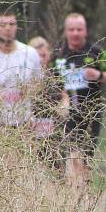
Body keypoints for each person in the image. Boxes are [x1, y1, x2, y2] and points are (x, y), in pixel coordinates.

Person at [53, 12, 106, 188]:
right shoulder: (58, 53)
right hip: (66, 114)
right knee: (71, 154)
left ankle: (82, 190)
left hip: (91, 113)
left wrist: (98, 74)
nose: (75, 33)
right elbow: (50, 80)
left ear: (85, 31)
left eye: (79, 29)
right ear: (66, 31)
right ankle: (70, 189)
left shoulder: (96, 52)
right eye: (71, 29)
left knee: (84, 157)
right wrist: (61, 96)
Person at [28, 36, 70, 168]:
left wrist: (64, 106)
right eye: (39, 55)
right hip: (31, 124)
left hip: (55, 125)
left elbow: (66, 95)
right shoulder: (25, 75)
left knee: (55, 162)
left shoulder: (55, 74)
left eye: (45, 54)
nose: (43, 58)